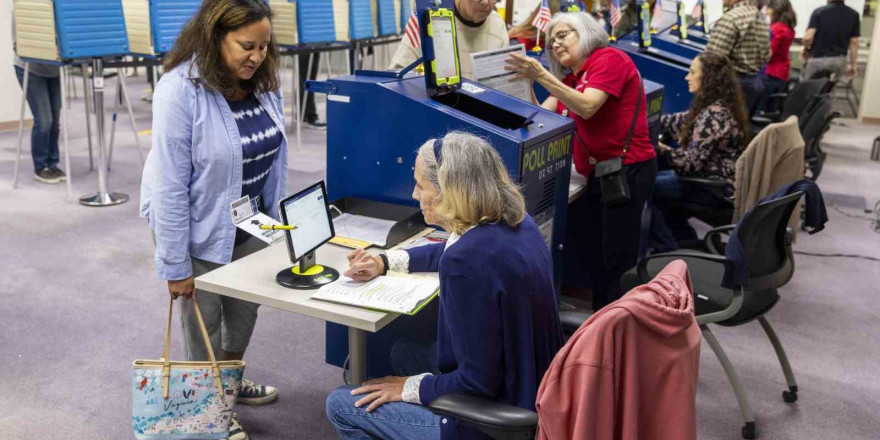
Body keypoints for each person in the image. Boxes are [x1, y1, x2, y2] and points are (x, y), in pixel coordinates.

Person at [325, 132, 563, 440]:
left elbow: (478, 383)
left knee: (342, 404)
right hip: (531, 381)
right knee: (401, 353)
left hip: (491, 418)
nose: (414, 194)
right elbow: (451, 248)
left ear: (449, 192)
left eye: (420, 186)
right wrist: (385, 262)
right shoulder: (515, 222)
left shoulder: (466, 264)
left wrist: (410, 388)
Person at [139, 1, 287, 438]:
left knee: (242, 314)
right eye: (246, 46)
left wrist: (278, 225)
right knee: (202, 324)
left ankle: (228, 384)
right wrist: (175, 266)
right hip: (196, 224)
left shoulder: (263, 82)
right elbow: (168, 186)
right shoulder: (179, 90)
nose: (257, 56)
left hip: (251, 222)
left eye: (263, 46)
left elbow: (276, 158)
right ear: (214, 36)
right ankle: (207, 411)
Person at [504, 11, 657, 311]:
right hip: (601, 175)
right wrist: (523, 88)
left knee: (615, 260)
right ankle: (601, 323)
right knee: (598, 256)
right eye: (551, 43)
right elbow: (542, 118)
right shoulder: (573, 78)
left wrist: (543, 76)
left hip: (626, 171)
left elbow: (587, 106)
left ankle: (613, 333)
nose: (556, 45)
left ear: (586, 32)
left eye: (563, 35)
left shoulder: (609, 59)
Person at [651, 52, 749, 251]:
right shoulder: (717, 106)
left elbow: (688, 165)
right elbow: (672, 122)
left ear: (708, 78)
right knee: (660, 192)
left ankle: (669, 253)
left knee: (644, 188)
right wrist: (644, 122)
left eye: (692, 72)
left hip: (713, 188)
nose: (687, 77)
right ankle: (684, 244)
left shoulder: (714, 115)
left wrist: (661, 150)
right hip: (715, 182)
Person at [390, 0, 508, 80]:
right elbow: (397, 72)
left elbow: (504, 80)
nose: (485, 3)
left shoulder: (498, 25)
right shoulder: (430, 17)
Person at [705, 0, 771, 117]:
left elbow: (711, 59)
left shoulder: (731, 18)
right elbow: (767, 55)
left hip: (730, 85)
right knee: (737, 129)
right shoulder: (760, 18)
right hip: (752, 84)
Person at [13, 42, 65, 183]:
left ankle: (52, 163)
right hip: (30, 69)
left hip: (54, 68)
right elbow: (18, 44)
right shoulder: (21, 18)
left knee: (54, 120)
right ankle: (41, 167)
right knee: (44, 120)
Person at [802, 0, 861, 81]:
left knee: (808, 88)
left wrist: (806, 49)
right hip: (840, 60)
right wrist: (853, 65)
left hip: (818, 58)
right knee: (829, 88)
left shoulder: (819, 12)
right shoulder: (854, 14)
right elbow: (854, 42)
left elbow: (808, 37)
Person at [757, 0, 796, 113]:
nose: (766, 12)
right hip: (782, 71)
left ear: (775, 9)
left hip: (771, 72)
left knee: (761, 108)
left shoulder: (777, 28)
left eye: (768, 8)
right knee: (772, 106)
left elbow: (769, 52)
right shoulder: (789, 28)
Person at [299, 52, 325, 129]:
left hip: (312, 46)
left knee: (310, 76)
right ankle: (308, 116)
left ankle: (305, 114)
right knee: (307, 77)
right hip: (304, 48)